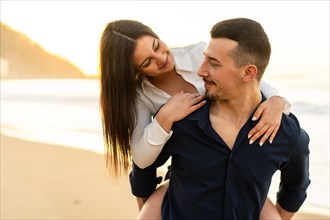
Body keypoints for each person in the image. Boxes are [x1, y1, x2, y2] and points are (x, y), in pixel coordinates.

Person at [99, 20, 291, 218]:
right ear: (135, 70)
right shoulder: (141, 95)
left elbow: (250, 77)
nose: (161, 58)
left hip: (239, 171)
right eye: (147, 62)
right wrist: (165, 116)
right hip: (190, 173)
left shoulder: (199, 53)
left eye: (157, 45)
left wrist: (277, 101)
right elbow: (141, 158)